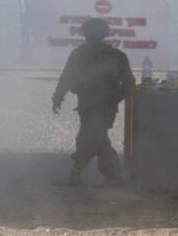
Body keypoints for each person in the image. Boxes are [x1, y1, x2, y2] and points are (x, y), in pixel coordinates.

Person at [52, 17, 136, 187]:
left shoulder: (82, 54)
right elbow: (129, 84)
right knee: (95, 137)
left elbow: (67, 77)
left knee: (92, 138)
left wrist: (58, 96)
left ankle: (88, 174)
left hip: (96, 105)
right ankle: (112, 176)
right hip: (95, 105)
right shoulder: (115, 55)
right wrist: (58, 96)